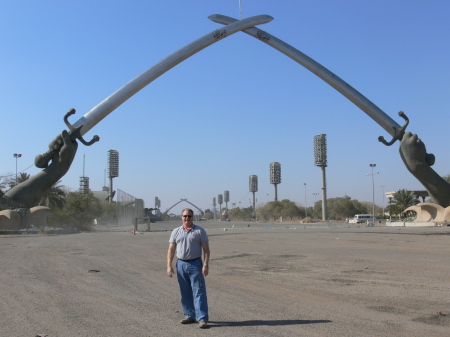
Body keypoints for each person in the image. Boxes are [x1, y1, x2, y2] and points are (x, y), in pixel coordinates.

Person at [167, 208, 210, 329]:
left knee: (199, 291)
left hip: (195, 264)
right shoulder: (176, 231)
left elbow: (206, 250)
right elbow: (171, 249)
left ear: (193, 217)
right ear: (182, 217)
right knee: (185, 291)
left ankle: (202, 319)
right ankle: (189, 315)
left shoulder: (200, 231)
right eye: (185, 216)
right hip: (181, 264)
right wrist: (169, 265)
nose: (187, 218)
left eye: (189, 216)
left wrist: (205, 265)